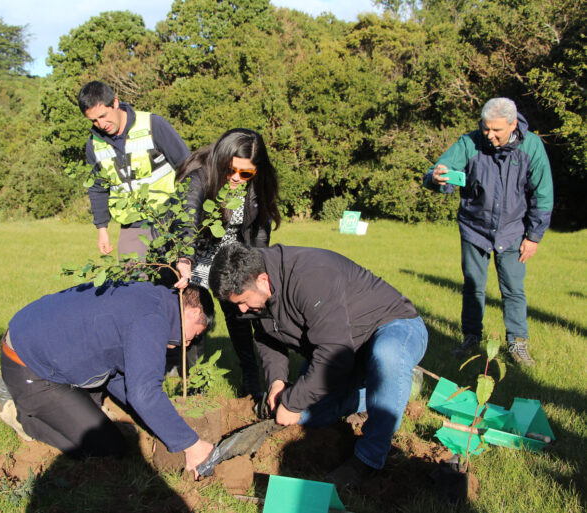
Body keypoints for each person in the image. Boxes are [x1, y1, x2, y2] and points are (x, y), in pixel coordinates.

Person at [208, 243, 428, 488]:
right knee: (309, 416)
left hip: (393, 328)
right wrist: (277, 381)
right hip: (345, 350)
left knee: (386, 355)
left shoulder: (309, 275)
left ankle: (370, 456)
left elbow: (335, 352)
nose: (242, 310)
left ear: (262, 280)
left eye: (245, 302)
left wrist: (292, 401)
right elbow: (267, 337)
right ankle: (384, 392)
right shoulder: (254, 288)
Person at [0, 281, 215, 476]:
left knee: (102, 423)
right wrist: (193, 446)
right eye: (195, 334)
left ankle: (62, 407)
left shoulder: (152, 299)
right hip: (29, 367)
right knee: (108, 448)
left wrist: (157, 422)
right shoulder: (152, 319)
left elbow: (122, 378)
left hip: (43, 349)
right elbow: (143, 394)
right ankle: (24, 418)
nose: (188, 344)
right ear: (194, 313)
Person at [423, 97, 554, 365]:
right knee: (473, 287)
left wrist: (533, 237)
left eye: (497, 130)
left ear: (513, 124)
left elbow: (543, 195)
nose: (490, 135)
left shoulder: (532, 146)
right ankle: (471, 339)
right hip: (475, 228)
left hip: (513, 230)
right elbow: (438, 171)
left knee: (513, 288)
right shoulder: (469, 143)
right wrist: (438, 177)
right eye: (486, 128)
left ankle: (517, 342)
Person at [173, 128, 281, 397]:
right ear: (221, 161)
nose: (236, 178)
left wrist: (257, 266)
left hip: (232, 254)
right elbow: (187, 217)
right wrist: (185, 258)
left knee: (240, 313)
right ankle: (194, 383)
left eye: (245, 174)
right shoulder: (200, 175)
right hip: (198, 253)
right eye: (230, 170)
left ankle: (252, 380)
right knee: (197, 313)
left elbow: (260, 230)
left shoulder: (258, 185)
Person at [78, 80, 191, 257]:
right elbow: (98, 188)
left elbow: (188, 167)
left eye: (104, 115)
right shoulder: (94, 144)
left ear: (115, 102)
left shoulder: (153, 125)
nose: (101, 124)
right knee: (132, 282)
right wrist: (102, 228)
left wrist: (190, 212)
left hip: (171, 218)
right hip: (132, 227)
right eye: (94, 120)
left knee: (178, 280)